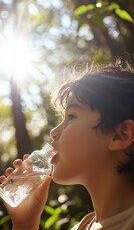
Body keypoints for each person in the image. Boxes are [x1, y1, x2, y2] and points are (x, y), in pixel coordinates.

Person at [0, 61, 134, 230]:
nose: (54, 132)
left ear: (120, 135)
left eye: (71, 116)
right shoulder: (83, 226)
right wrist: (25, 223)